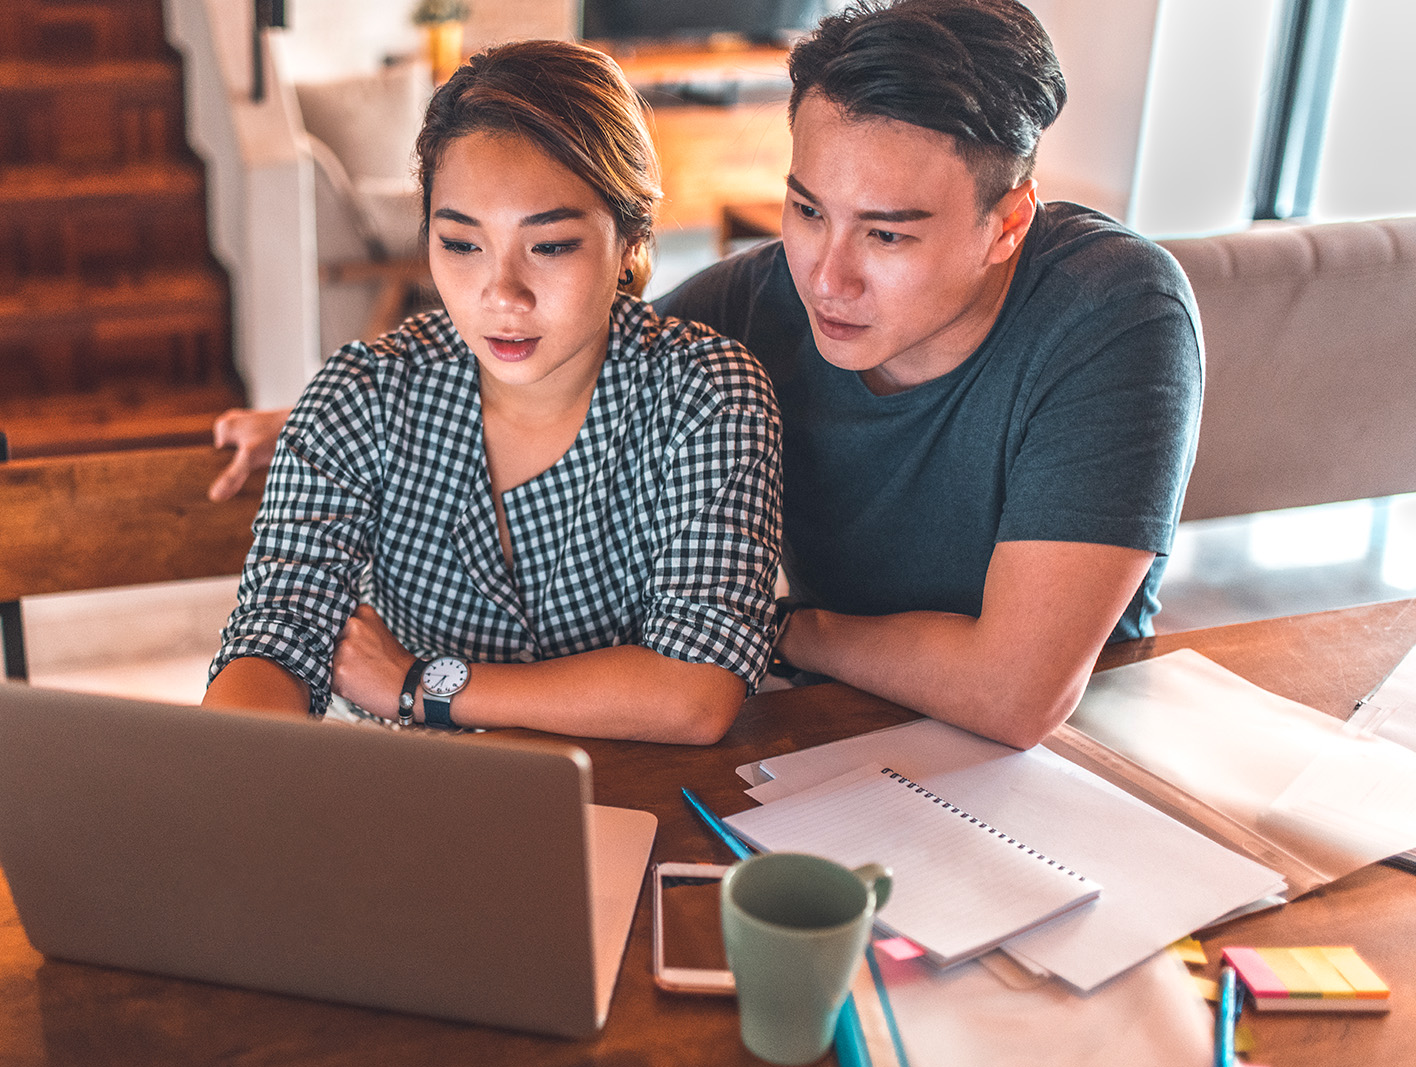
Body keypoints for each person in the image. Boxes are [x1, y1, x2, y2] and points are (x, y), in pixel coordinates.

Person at [207, 0, 1203, 751]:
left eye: (887, 235)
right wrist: (323, 418)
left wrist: (776, 631)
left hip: (1073, 754)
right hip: (831, 733)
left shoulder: (1111, 309)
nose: (826, 277)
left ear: (1008, 223)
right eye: (806, 209)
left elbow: (1016, 694)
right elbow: (566, 349)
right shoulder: (758, 303)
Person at [201, 40, 782, 745]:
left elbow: (696, 690)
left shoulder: (706, 395)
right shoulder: (362, 396)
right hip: (413, 788)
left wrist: (422, 686)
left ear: (631, 239)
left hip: (630, 788)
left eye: (551, 245)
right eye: (461, 244)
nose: (502, 295)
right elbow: (276, 635)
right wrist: (230, 767)